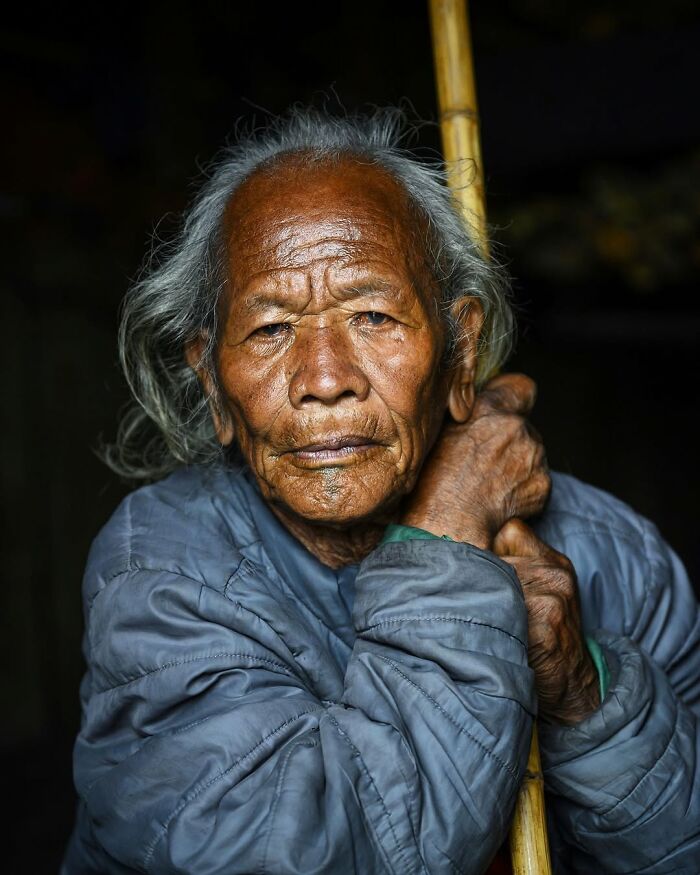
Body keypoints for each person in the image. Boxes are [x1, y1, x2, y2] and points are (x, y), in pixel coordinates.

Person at [63, 109, 700, 874]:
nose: (325, 378)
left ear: (461, 351)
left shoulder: (609, 555)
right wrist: (450, 531)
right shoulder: (163, 575)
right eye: (270, 329)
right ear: (211, 382)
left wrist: (583, 700)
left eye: (372, 315)